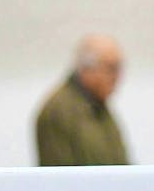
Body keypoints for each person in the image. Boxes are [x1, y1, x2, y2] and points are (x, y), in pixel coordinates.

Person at [35, 34, 128, 166]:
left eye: (120, 68)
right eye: (111, 68)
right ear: (87, 69)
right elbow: (60, 175)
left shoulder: (99, 107)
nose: (117, 77)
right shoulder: (58, 112)